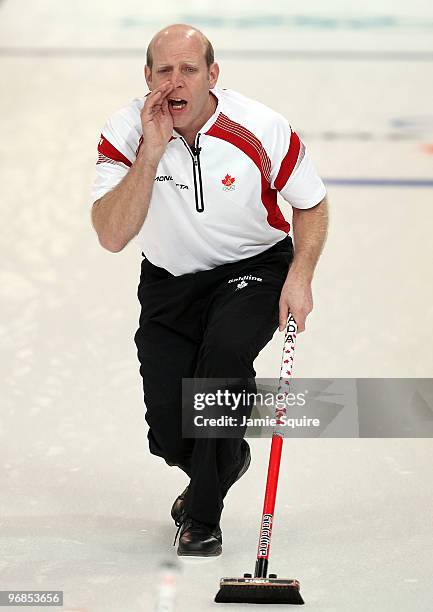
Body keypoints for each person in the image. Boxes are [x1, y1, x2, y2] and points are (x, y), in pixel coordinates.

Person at [90, 23, 328, 557]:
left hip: (254, 269)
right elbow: (110, 235)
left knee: (221, 364)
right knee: (171, 430)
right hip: (169, 283)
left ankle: (202, 519)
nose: (176, 83)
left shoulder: (260, 126)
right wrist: (150, 155)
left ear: (212, 75)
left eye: (189, 70)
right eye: (164, 70)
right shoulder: (125, 131)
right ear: (147, 76)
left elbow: (310, 203)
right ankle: (224, 462)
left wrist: (301, 274)